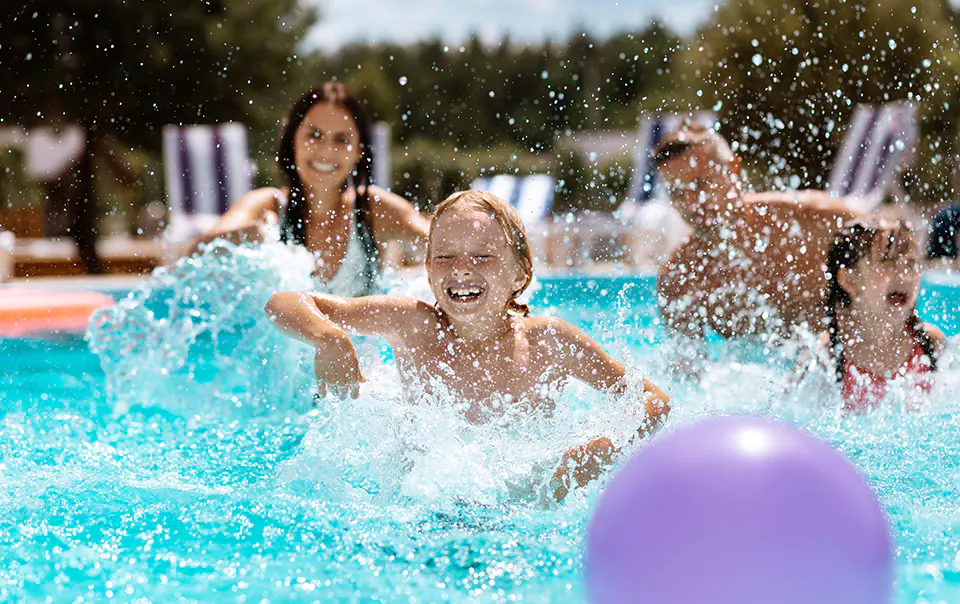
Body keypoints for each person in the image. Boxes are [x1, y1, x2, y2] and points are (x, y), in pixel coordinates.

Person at [264, 190, 671, 501]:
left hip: (525, 509)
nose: (461, 269)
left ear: (520, 272)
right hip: (421, 506)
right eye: (444, 256)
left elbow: (653, 400)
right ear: (426, 269)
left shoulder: (549, 342)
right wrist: (329, 338)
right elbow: (285, 302)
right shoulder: (411, 325)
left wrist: (600, 452)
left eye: (483, 256)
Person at [196, 82, 429, 296]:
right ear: (292, 140)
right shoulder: (267, 206)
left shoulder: (373, 209)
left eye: (341, 140)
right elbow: (196, 253)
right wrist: (246, 235)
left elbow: (445, 240)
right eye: (314, 135)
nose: (326, 151)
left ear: (359, 150)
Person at [654, 122, 861, 341]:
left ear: (733, 169)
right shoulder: (680, 280)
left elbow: (895, 246)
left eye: (700, 185)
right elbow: (685, 372)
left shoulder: (813, 220)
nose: (691, 203)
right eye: (677, 193)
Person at [805, 218, 945, 412]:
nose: (904, 274)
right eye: (888, 262)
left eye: (911, 263)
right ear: (850, 279)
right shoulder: (827, 355)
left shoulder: (930, 343)